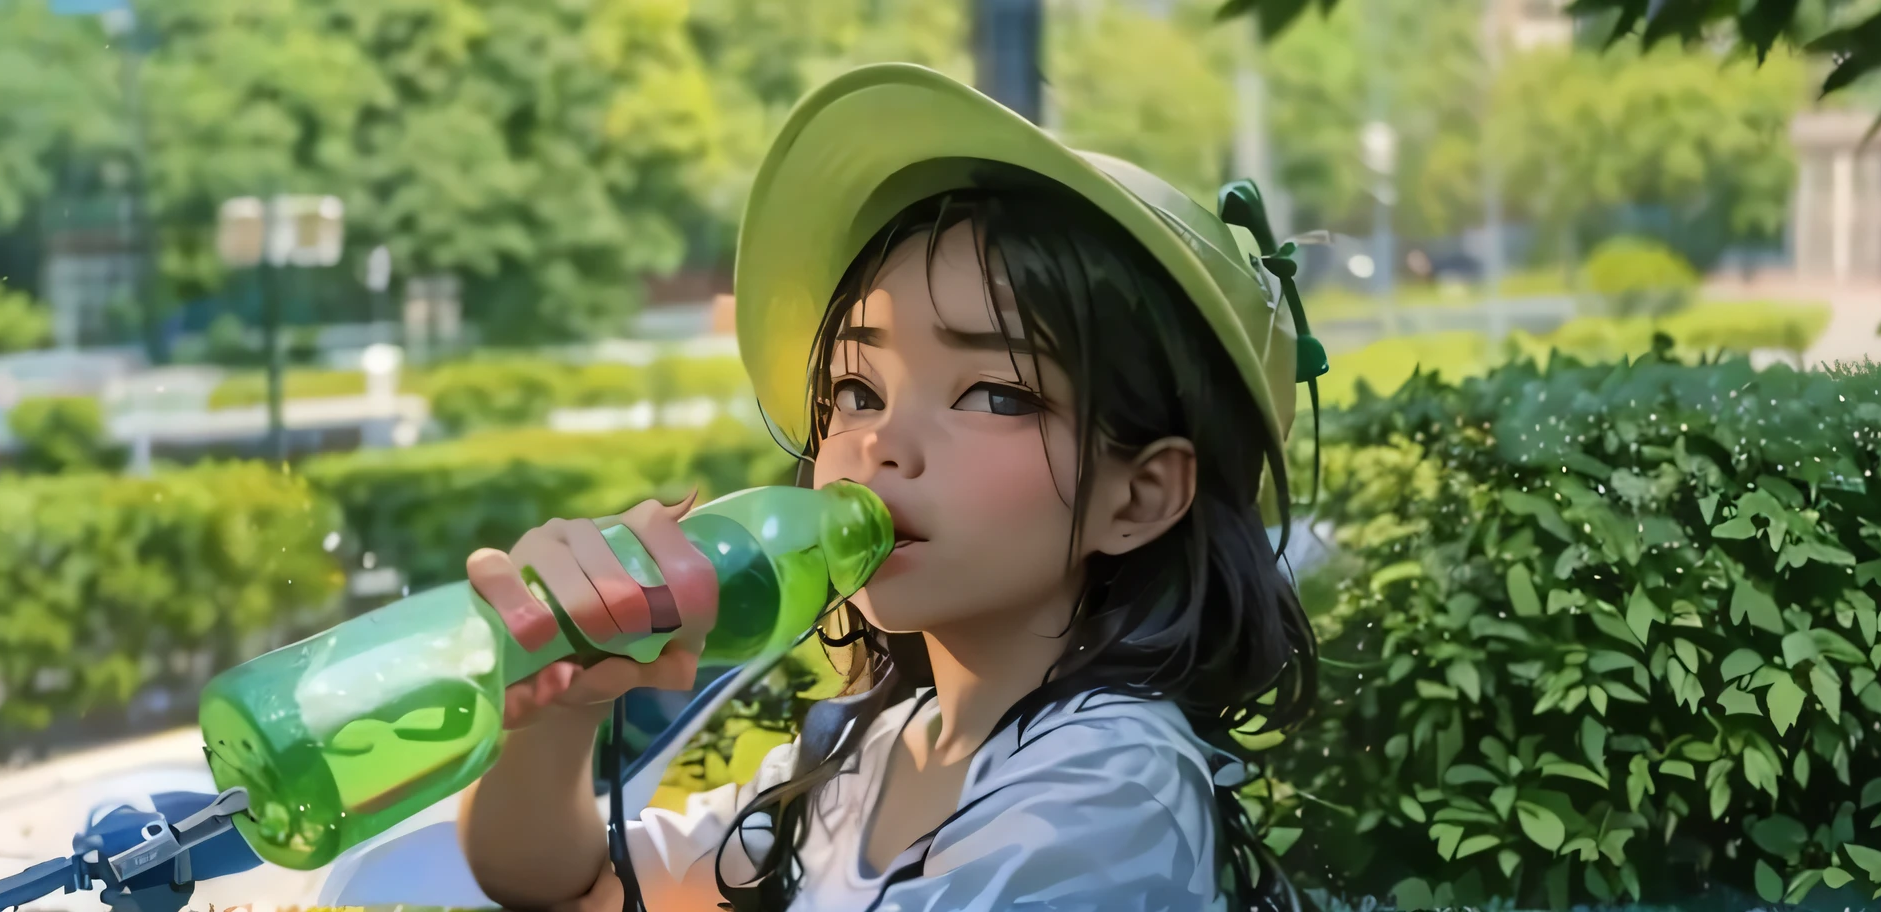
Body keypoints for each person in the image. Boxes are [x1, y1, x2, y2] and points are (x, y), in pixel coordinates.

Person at [456, 63, 1326, 912]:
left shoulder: (1110, 788)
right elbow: (575, 883)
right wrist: (559, 710)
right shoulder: (864, 749)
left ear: (1138, 498)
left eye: (996, 394)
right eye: (856, 391)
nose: (883, 444)